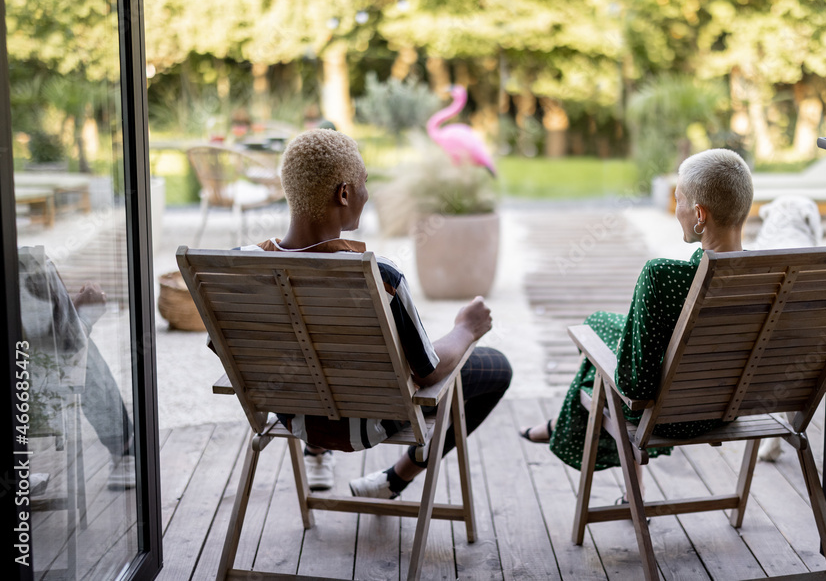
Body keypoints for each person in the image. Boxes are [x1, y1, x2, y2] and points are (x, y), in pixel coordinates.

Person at [236, 128, 512, 498]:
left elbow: (234, 354)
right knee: (497, 367)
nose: (368, 193)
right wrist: (466, 328)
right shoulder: (379, 276)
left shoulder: (239, 267)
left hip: (294, 417)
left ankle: (329, 456)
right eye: (364, 182)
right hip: (369, 424)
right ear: (344, 193)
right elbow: (427, 370)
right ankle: (397, 478)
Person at [519, 149, 754, 475]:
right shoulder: (774, 280)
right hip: (730, 410)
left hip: (671, 418)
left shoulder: (666, 277)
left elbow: (634, 388)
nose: (676, 212)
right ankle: (559, 424)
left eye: (679, 201)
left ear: (700, 214)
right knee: (599, 322)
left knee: (594, 354)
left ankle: (563, 425)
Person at [18, 248, 135, 490]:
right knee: (82, 350)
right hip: (31, 397)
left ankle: (125, 450)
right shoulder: (27, 262)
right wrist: (84, 316)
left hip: (29, 378)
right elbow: (68, 347)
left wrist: (68, 316)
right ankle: (124, 450)